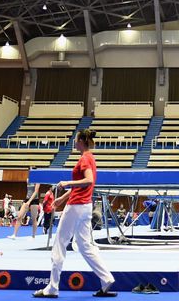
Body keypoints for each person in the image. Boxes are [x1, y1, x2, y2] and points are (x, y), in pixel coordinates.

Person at [33, 128, 115, 299]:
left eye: (76, 140)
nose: (74, 142)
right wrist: (62, 198)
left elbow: (88, 180)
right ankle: (106, 279)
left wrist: (67, 182)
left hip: (76, 207)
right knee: (85, 246)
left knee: (60, 243)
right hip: (85, 206)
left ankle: (52, 288)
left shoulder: (85, 158)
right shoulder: (90, 158)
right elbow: (83, 185)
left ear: (81, 141)